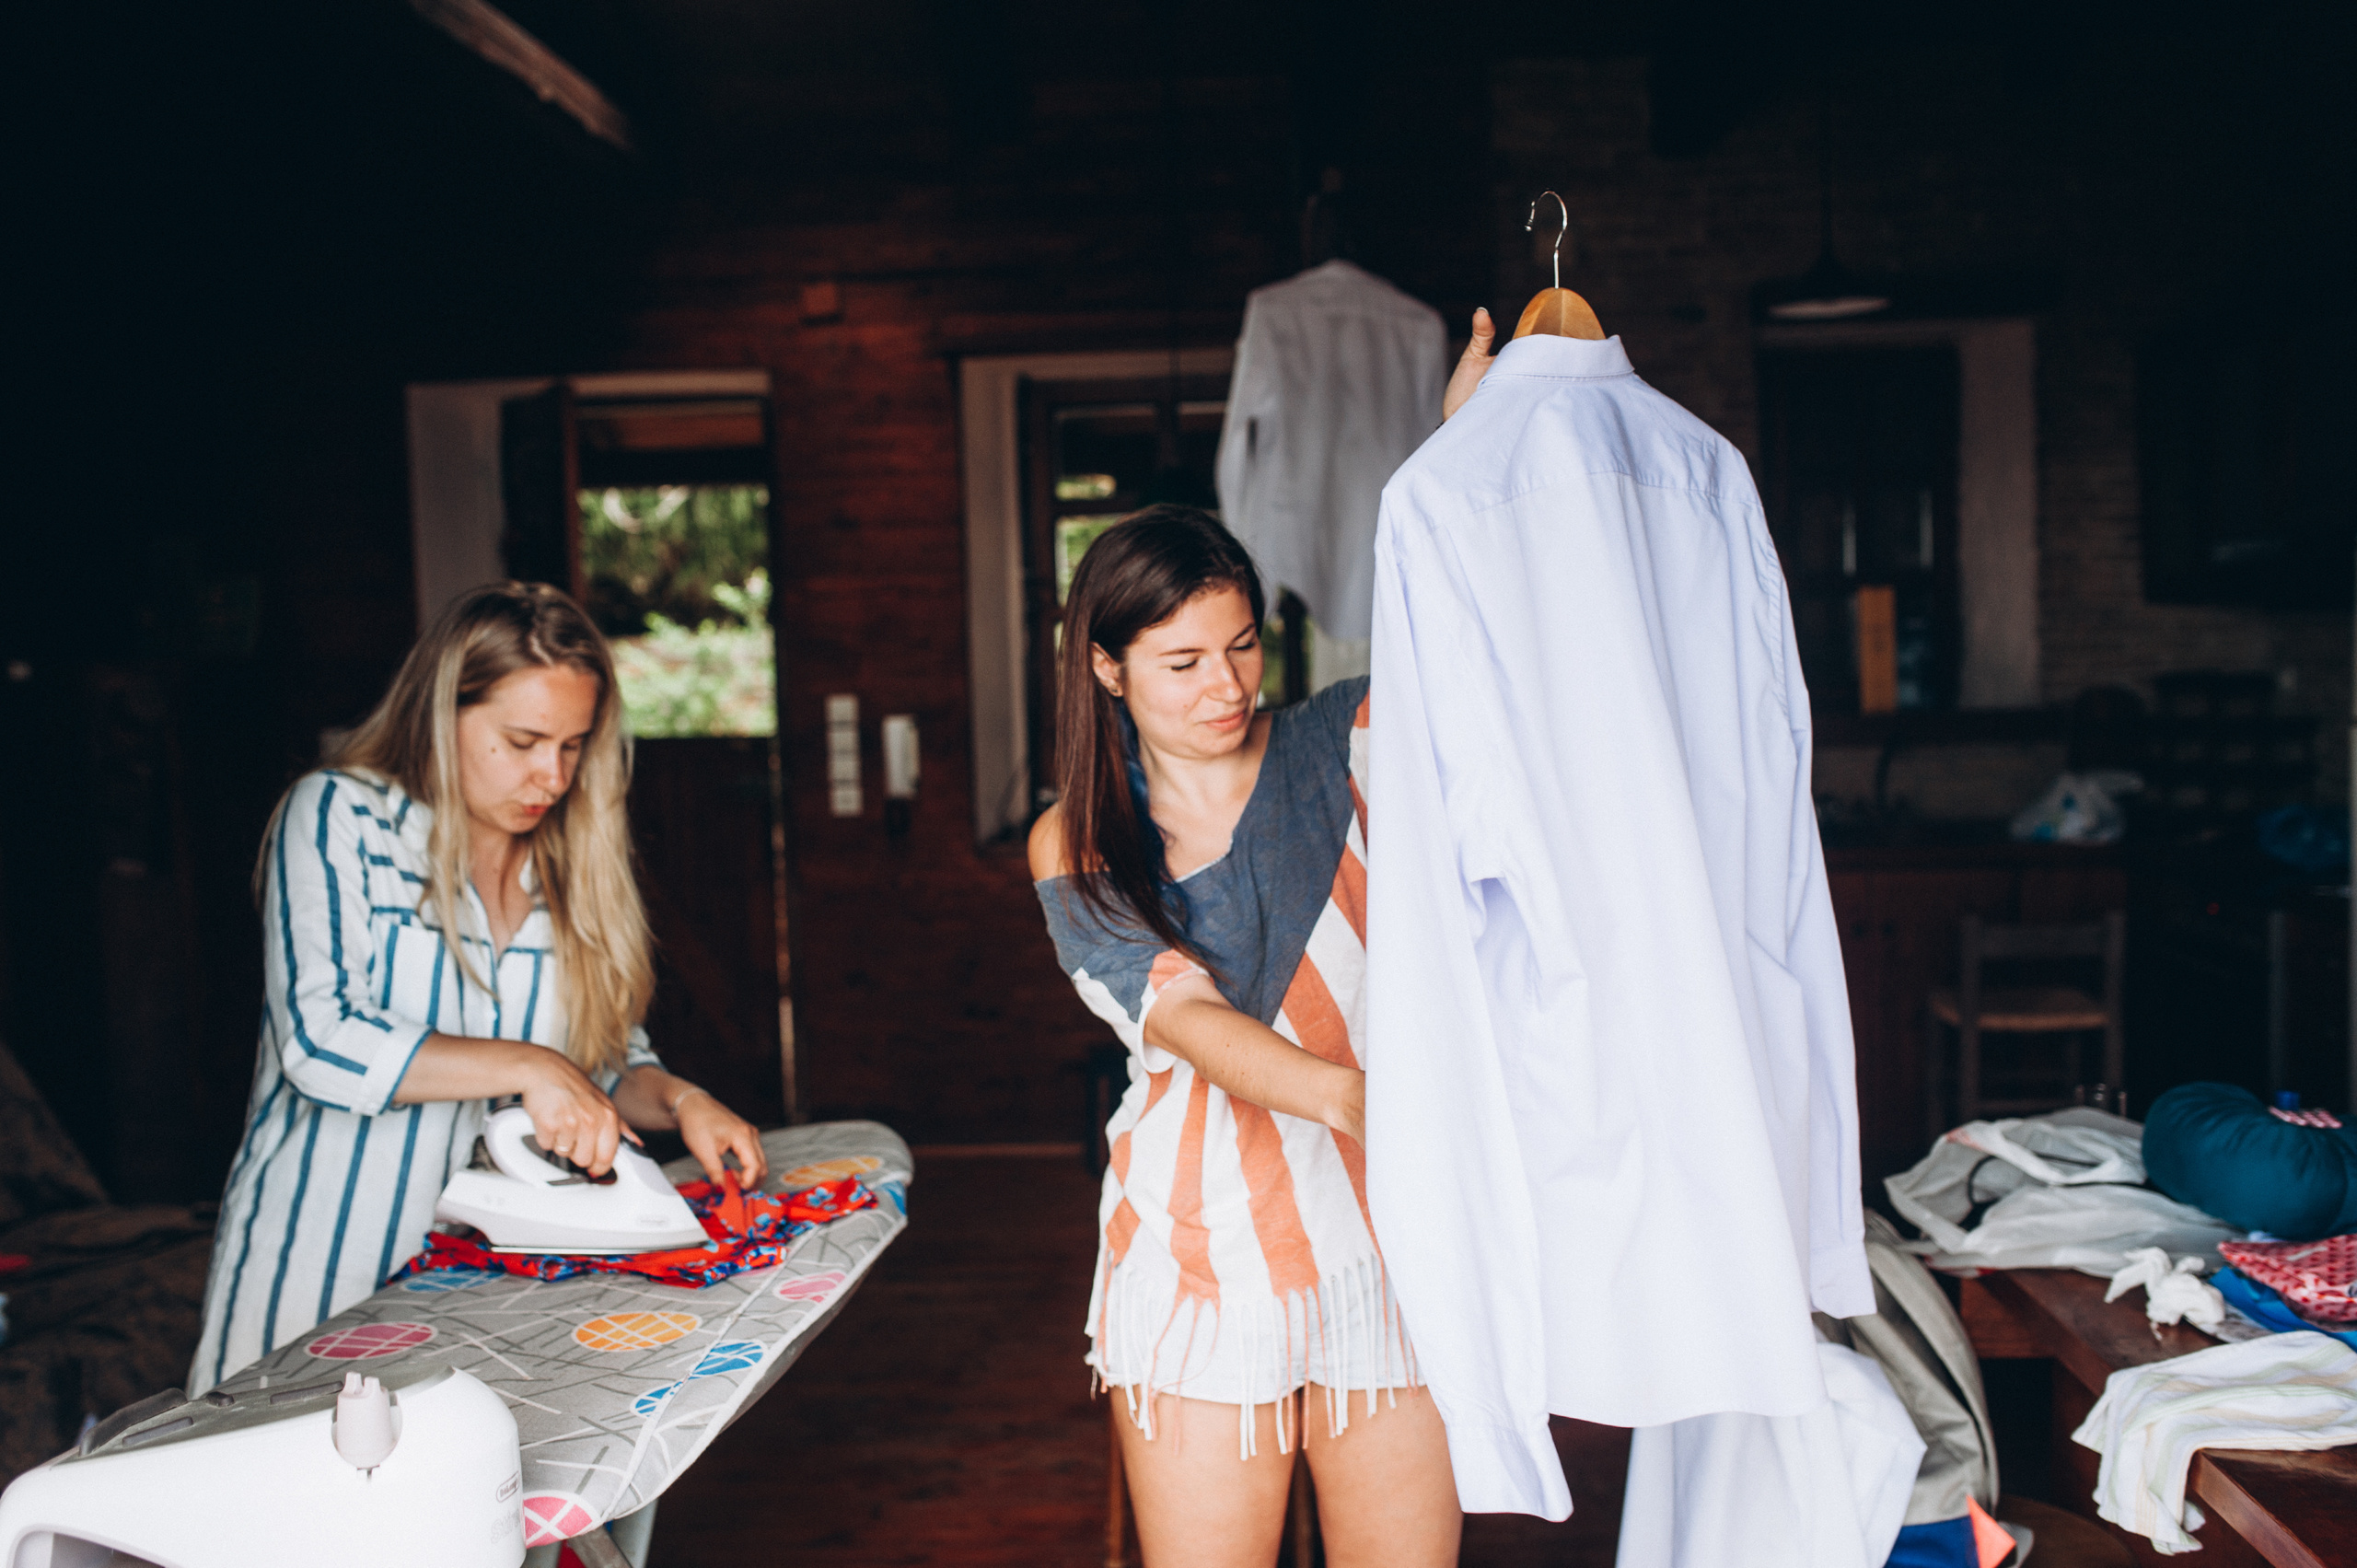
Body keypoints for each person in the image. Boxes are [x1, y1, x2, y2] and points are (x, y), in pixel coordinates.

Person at [191, 581, 768, 1392]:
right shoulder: (339, 818)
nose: (551, 776)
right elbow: (320, 1038)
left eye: (572, 746)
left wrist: (681, 1101)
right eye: (523, 740)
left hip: (482, 1298)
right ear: (443, 713)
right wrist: (530, 1066)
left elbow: (601, 1067)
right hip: (314, 1275)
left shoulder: (569, 872)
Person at [1028, 507, 1459, 1567]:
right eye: (1181, 662)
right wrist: (1353, 1098)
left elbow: (1501, 650)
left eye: (1241, 645)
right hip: (1197, 1257)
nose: (1225, 685)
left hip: (1388, 1243)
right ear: (1106, 667)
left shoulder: (1354, 740)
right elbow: (1186, 1016)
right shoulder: (1077, 837)